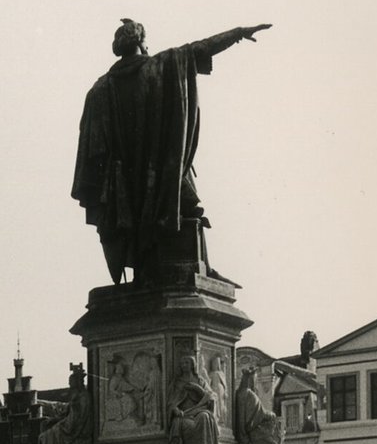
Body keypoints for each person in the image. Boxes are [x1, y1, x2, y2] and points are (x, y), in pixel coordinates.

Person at [72, 19, 271, 284]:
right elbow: (199, 49)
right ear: (142, 43)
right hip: (160, 174)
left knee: (181, 208)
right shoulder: (160, 66)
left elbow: (92, 153)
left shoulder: (98, 90)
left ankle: (173, 269)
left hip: (123, 188)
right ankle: (196, 268)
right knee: (186, 206)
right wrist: (236, 33)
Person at [166, 355, 219, 444]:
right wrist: (175, 409)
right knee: (178, 422)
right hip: (184, 413)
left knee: (205, 416)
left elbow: (210, 396)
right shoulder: (177, 382)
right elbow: (171, 401)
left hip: (198, 410)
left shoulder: (200, 380)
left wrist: (198, 389)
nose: (184, 365)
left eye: (186, 363)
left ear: (192, 365)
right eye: (182, 363)